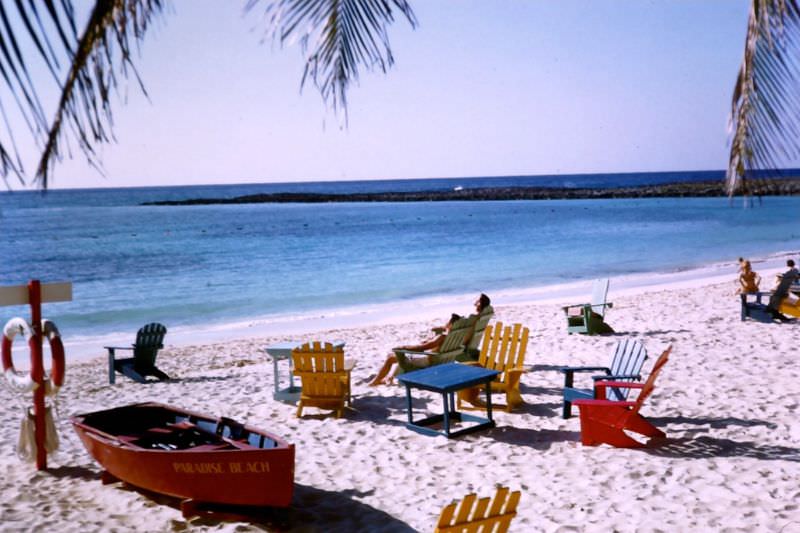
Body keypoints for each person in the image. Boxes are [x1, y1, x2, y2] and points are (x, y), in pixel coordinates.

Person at [368, 313, 461, 386]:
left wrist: (404, 347)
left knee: (391, 358)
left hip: (427, 361)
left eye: (448, 322)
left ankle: (376, 382)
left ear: (450, 324)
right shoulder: (455, 337)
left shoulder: (442, 337)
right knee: (396, 356)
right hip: (436, 360)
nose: (446, 323)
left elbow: (421, 348)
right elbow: (430, 345)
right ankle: (389, 378)